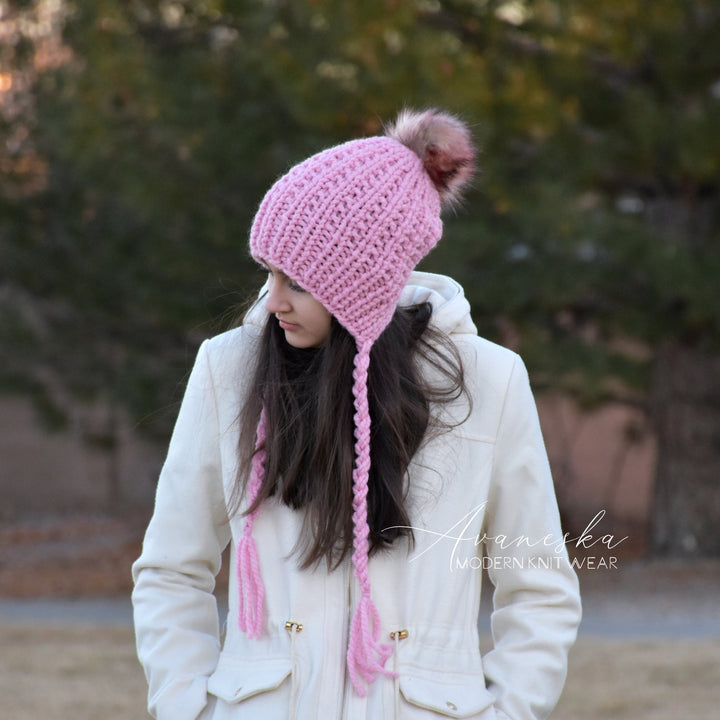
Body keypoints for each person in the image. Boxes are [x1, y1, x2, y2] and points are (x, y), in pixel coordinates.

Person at [132, 108, 582, 720]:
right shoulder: (229, 369)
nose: (274, 299)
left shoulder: (489, 382)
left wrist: (507, 712)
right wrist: (189, 708)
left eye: (297, 281)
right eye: (269, 272)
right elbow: (171, 569)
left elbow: (538, 587)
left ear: (361, 285)